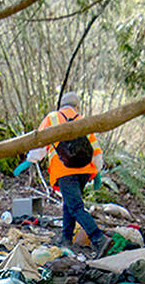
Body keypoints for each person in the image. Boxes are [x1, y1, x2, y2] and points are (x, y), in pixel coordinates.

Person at [27, 92, 110, 254]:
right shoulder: (83, 120)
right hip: (84, 171)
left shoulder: (52, 118)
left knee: (75, 206)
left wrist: (30, 159)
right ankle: (66, 237)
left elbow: (40, 145)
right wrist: (97, 171)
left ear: (61, 105)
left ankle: (99, 238)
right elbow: (96, 150)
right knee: (70, 203)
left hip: (64, 170)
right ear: (76, 106)